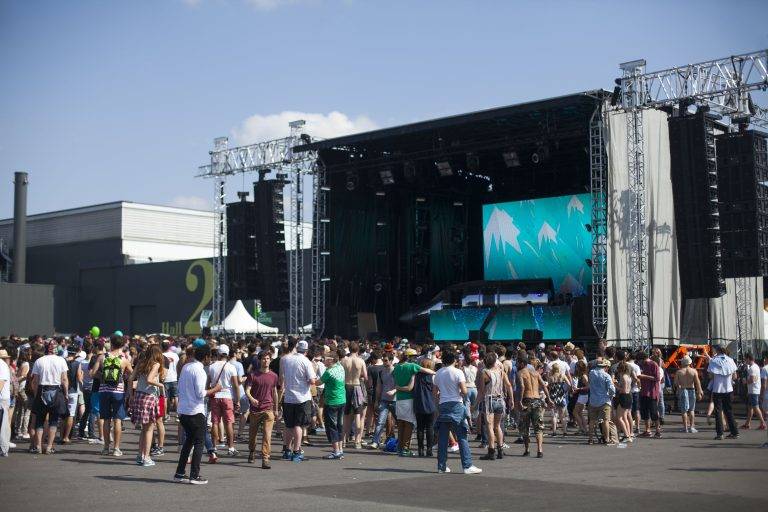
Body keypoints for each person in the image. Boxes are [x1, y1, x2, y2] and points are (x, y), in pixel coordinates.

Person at [174, 341, 221, 485]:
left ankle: (180, 473)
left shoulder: (186, 367)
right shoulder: (199, 370)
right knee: (199, 442)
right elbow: (201, 393)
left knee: (189, 442)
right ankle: (194, 475)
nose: (210, 360)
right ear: (206, 357)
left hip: (183, 411)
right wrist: (216, 389)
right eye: (210, 357)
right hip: (195, 411)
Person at [434, 350, 482, 474]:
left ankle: (441, 466)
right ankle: (467, 465)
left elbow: (435, 393)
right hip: (456, 404)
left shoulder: (438, 373)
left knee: (443, 437)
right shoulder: (458, 372)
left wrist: (440, 400)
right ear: (455, 360)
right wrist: (460, 394)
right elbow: (464, 391)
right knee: (462, 436)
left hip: (443, 405)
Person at [91, 334, 133, 456]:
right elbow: (132, 375)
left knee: (106, 420)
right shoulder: (124, 359)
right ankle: (116, 449)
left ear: (111, 344)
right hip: (118, 392)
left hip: (104, 391)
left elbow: (92, 374)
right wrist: (123, 377)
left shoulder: (102, 357)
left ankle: (105, 448)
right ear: (121, 345)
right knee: (117, 420)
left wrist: (103, 376)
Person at [279, 339, 317, 463]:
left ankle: (286, 450)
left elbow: (281, 379)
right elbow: (312, 381)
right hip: (302, 397)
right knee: (298, 425)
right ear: (306, 351)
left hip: (289, 396)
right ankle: (296, 451)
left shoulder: (285, 359)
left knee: (288, 425)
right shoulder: (306, 361)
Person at [392, 348, 435, 457]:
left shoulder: (396, 368)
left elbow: (394, 379)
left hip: (399, 399)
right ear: (410, 357)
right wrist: (436, 372)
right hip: (409, 399)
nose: (416, 359)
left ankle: (400, 448)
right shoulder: (412, 367)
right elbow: (428, 371)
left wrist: (397, 387)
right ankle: (406, 449)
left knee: (401, 424)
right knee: (409, 424)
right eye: (414, 357)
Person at [29, 340, 69, 454]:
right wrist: (66, 394)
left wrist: (37, 394)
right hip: (56, 390)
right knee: (53, 421)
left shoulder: (39, 361)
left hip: (42, 389)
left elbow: (35, 381)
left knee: (40, 421)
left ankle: (38, 446)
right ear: (56, 349)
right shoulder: (61, 360)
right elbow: (64, 379)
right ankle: (49, 446)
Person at [128, 344, 165, 466]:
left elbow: (130, 379)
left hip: (138, 395)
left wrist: (131, 395)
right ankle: (146, 457)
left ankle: (140, 455)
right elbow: (150, 379)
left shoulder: (141, 362)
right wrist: (161, 385)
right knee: (149, 428)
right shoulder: (156, 364)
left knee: (144, 429)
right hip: (149, 397)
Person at [244, 349, 279, 468]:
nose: (266, 361)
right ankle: (252, 451)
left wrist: (276, 408)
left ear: (270, 360)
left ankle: (265, 458)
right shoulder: (253, 375)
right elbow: (247, 390)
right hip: (255, 410)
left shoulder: (274, 376)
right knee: (253, 435)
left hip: (268, 408)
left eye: (268, 358)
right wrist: (252, 398)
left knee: (267, 434)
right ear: (259, 360)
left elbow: (275, 392)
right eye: (264, 358)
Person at [477, 351, 513, 460]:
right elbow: (508, 385)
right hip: (500, 399)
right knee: (498, 426)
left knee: (489, 426)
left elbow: (482, 391)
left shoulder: (485, 373)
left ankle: (491, 451)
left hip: (489, 399)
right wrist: (511, 399)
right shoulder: (501, 371)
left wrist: (475, 404)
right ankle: (500, 449)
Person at [207, 345, 240, 456]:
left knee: (215, 422)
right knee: (229, 423)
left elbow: (208, 384)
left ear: (218, 353)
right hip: (227, 396)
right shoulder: (231, 367)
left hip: (215, 396)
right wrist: (237, 400)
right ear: (227, 354)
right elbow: (235, 385)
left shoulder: (211, 366)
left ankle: (214, 447)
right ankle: (230, 448)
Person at [517, 356, 550, 457]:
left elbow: (522, 386)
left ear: (522, 363)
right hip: (537, 400)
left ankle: (527, 449)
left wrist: (519, 400)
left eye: (518, 362)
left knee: (525, 427)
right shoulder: (535, 373)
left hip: (527, 400)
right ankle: (540, 450)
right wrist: (549, 398)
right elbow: (544, 386)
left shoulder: (521, 372)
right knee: (538, 427)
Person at [707, 344, 739, 440]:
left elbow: (711, 376)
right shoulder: (730, 360)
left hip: (717, 389)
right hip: (728, 389)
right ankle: (734, 432)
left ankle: (720, 433)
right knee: (729, 411)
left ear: (717, 350)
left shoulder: (713, 361)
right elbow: (735, 376)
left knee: (718, 412)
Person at [340, 341, 367, 449]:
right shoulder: (361, 361)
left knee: (345, 416)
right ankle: (357, 441)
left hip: (345, 387)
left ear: (349, 349)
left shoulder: (343, 360)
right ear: (358, 350)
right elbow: (365, 377)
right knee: (357, 415)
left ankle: (343, 441)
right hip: (356, 386)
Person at [320, 348, 346, 459]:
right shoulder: (340, 367)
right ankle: (340, 450)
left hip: (332, 401)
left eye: (325, 359)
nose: (323, 361)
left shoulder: (329, 372)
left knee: (331, 426)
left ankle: (336, 451)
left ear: (331, 360)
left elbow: (317, 382)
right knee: (339, 425)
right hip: (342, 400)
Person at [367, 352, 396, 449]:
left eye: (386, 360)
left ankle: (402, 442)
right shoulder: (381, 371)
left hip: (395, 400)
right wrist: (376, 401)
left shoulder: (396, 371)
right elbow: (378, 387)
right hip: (384, 399)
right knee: (380, 421)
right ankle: (376, 441)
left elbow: (400, 385)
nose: (384, 362)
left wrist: (394, 391)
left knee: (400, 422)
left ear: (391, 361)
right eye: (383, 360)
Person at [587, 358, 615, 445]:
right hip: (604, 400)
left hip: (593, 400)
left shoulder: (591, 373)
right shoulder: (606, 375)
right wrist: (611, 396)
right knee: (606, 420)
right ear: (605, 366)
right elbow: (611, 389)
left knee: (592, 420)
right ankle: (607, 439)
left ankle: (590, 439)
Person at [413, 358, 436, 458]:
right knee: (430, 427)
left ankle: (420, 449)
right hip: (430, 402)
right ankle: (429, 449)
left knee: (420, 427)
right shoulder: (433, 376)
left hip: (418, 402)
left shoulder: (416, 376)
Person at [673, 355, 703, 433]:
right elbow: (697, 382)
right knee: (691, 410)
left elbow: (675, 383)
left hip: (683, 390)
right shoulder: (693, 371)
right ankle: (692, 427)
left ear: (683, 363)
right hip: (691, 389)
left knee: (684, 410)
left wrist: (678, 388)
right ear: (690, 363)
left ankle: (685, 427)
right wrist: (699, 392)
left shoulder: (679, 372)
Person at [637, 351, 662, 438]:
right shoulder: (642, 365)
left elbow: (657, 378)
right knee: (645, 413)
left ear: (643, 359)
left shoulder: (653, 364)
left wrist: (644, 376)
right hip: (644, 392)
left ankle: (658, 431)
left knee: (654, 413)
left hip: (652, 392)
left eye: (639, 360)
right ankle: (647, 430)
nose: (639, 362)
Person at [60, 349, 82, 444]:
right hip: (73, 390)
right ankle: (66, 437)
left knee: (62, 415)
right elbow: (79, 377)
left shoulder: (62, 361)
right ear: (76, 353)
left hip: (62, 390)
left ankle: (61, 436)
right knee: (71, 414)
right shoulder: (77, 363)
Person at [741, 353, 766, 430]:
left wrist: (745, 381)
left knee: (755, 407)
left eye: (745, 359)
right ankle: (747, 424)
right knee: (750, 407)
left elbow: (753, 379)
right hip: (753, 390)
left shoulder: (753, 368)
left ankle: (763, 423)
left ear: (748, 359)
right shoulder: (754, 367)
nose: (745, 361)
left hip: (754, 391)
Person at [613, 361, 636, 442]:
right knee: (625, 417)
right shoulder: (628, 376)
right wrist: (617, 384)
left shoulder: (623, 377)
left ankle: (626, 435)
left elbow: (624, 390)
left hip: (624, 397)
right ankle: (628, 435)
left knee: (619, 418)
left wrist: (615, 385)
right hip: (628, 397)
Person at [548, 363, 569, 437]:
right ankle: (565, 432)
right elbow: (569, 384)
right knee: (562, 416)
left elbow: (549, 387)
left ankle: (554, 432)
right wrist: (565, 391)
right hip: (561, 397)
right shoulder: (562, 376)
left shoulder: (551, 377)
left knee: (554, 415)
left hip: (553, 397)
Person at [162, 340, 180, 417]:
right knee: (176, 396)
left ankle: (165, 415)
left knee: (165, 397)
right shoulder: (175, 355)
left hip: (164, 378)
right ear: (169, 346)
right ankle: (178, 415)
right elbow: (178, 366)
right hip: (174, 378)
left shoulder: (160, 355)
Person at [571, 361, 589, 434]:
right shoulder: (581, 375)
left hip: (583, 395)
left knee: (575, 412)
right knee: (580, 413)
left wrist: (579, 389)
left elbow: (588, 386)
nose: (576, 369)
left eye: (577, 367)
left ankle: (582, 428)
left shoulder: (584, 376)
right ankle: (584, 429)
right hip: (582, 395)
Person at [0, 349, 12, 456]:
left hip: (2, 398)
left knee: (3, 424)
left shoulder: (2, 365)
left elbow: (1, 382)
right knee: (3, 424)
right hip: (3, 397)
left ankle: (3, 448)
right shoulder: (3, 365)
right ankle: (4, 447)